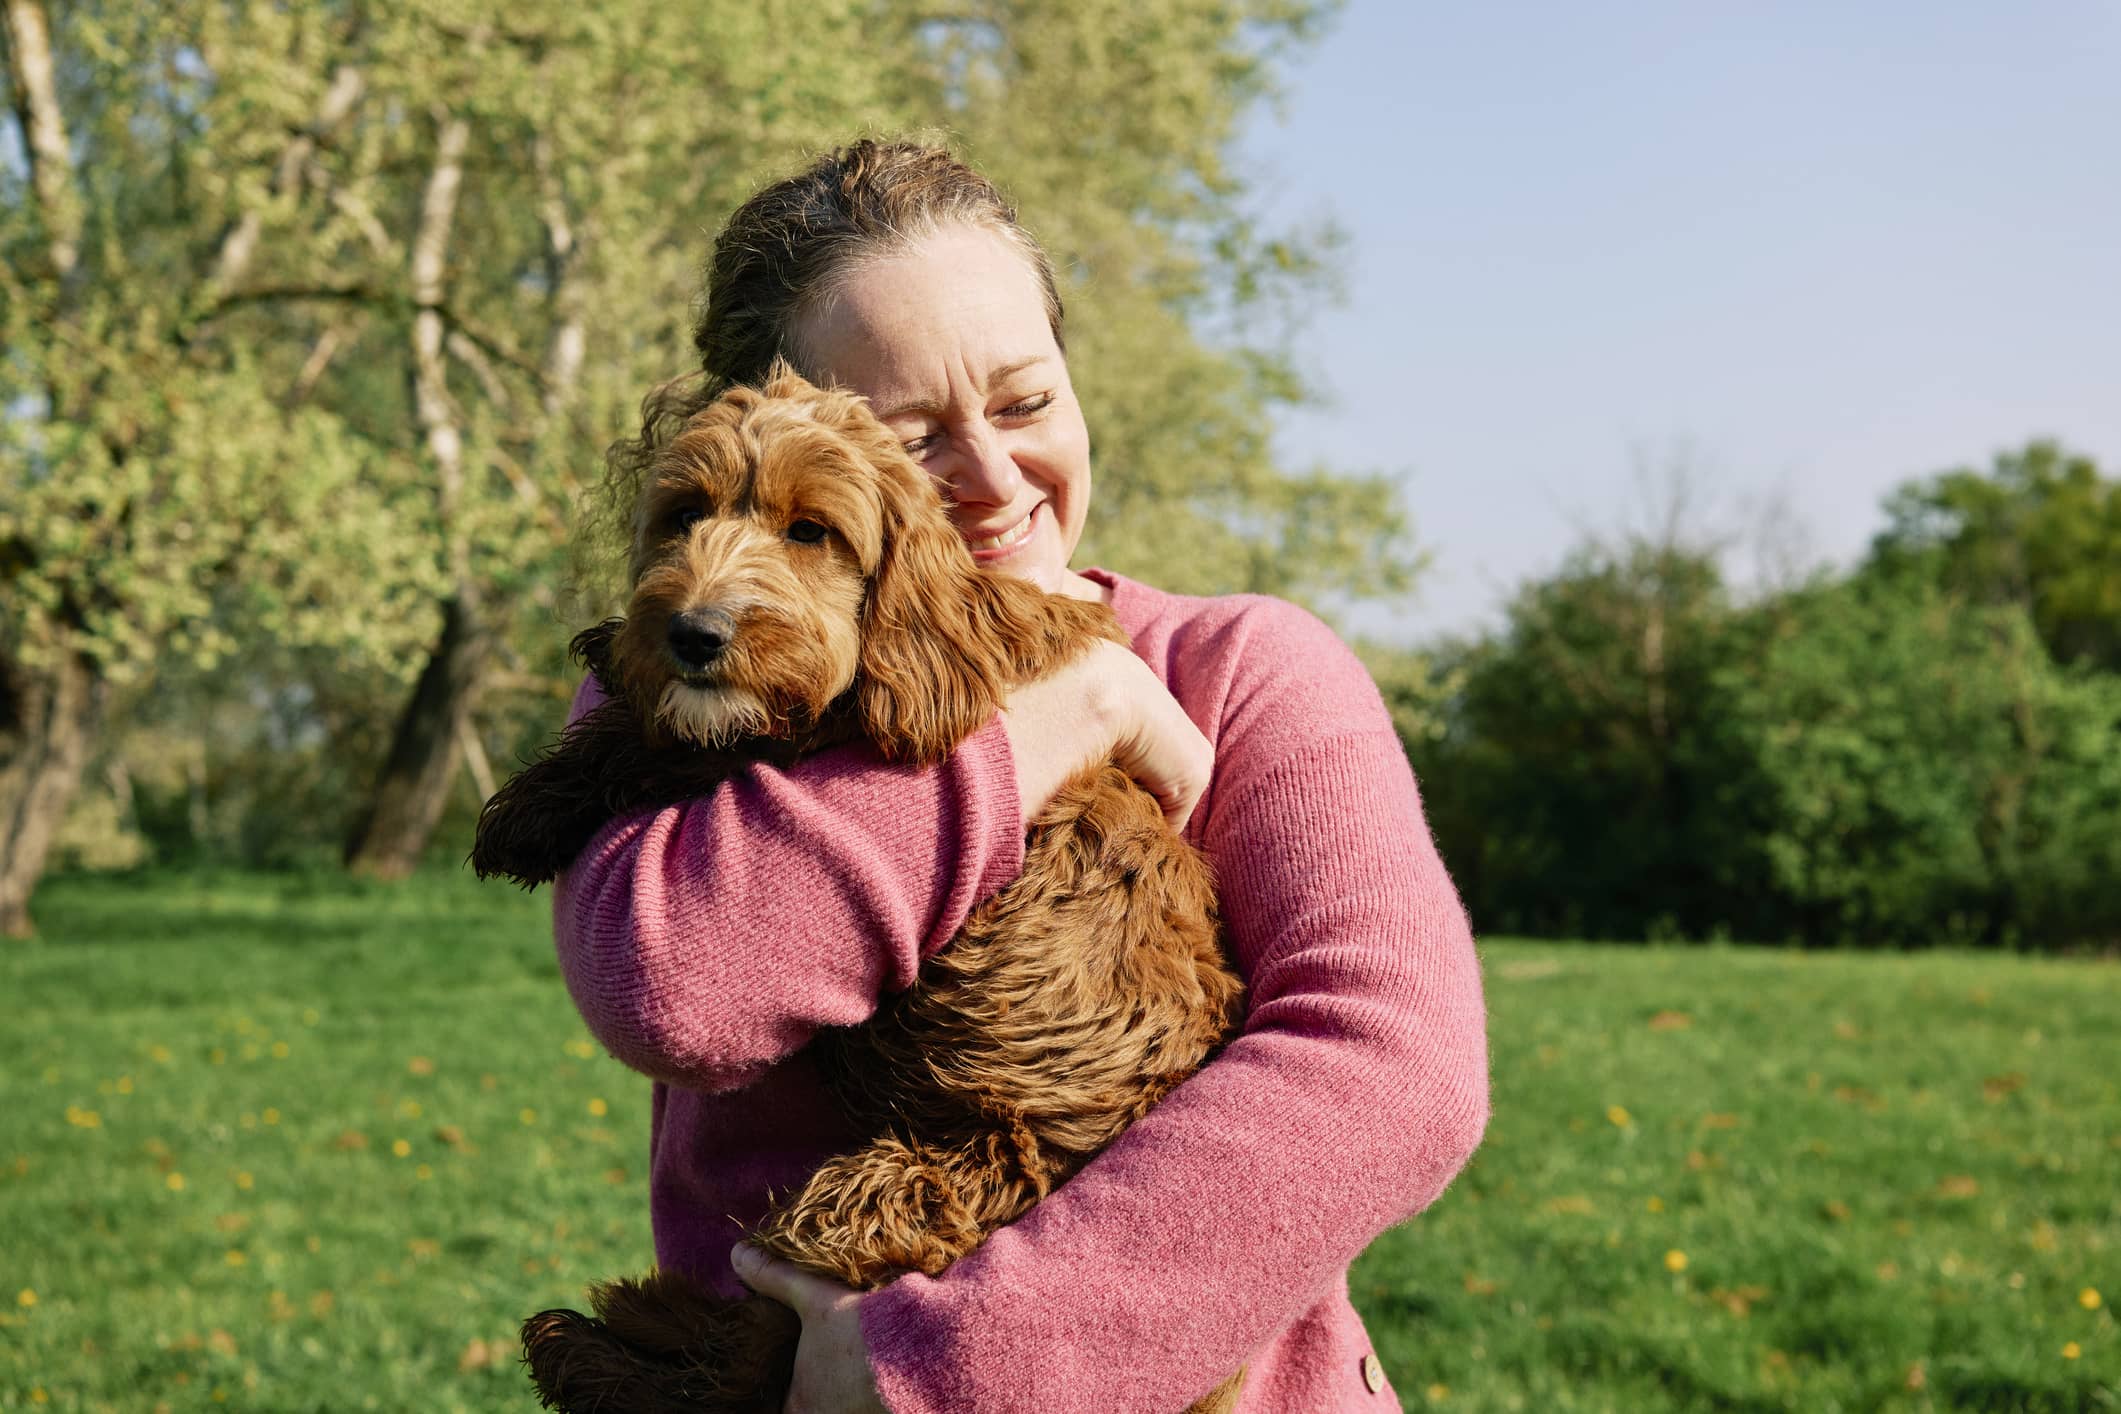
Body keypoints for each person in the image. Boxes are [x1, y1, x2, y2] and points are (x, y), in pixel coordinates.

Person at [553, 139, 1489, 1414]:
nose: (993, 479)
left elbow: (1395, 1066)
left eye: (1024, 400)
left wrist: (951, 1366)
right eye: (911, 435)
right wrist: (1061, 715)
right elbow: (678, 985)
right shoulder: (692, 676)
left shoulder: (1242, 667)